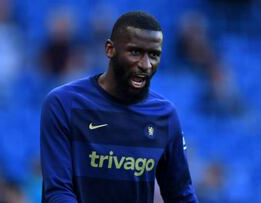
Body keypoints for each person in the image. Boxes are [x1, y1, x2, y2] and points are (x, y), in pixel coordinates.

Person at [40, 11, 198, 203]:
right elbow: (58, 192)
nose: (146, 65)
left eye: (154, 55)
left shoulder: (165, 115)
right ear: (109, 49)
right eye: (135, 52)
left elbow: (181, 196)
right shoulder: (63, 104)